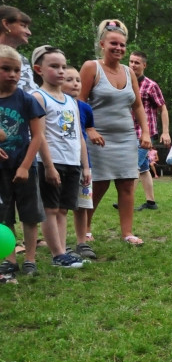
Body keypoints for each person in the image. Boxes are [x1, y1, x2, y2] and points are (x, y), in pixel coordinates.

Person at [80, 19, 151, 247]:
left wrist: (145, 133)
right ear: (102, 43)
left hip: (126, 136)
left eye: (122, 45)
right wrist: (88, 128)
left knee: (127, 184)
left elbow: (137, 105)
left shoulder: (129, 72)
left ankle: (127, 233)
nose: (118, 48)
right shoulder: (91, 67)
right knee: (99, 184)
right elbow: (79, 102)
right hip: (98, 138)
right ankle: (86, 228)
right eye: (113, 43)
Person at [31, 46, 90, 270]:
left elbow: (80, 137)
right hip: (51, 161)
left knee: (64, 208)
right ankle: (57, 254)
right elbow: (40, 136)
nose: (61, 71)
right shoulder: (38, 97)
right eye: (54, 66)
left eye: (63, 66)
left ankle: (64, 251)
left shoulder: (71, 101)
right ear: (39, 69)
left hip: (72, 162)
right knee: (50, 209)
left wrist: (85, 166)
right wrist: (48, 166)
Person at [0, 45, 45, 280]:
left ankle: (30, 259)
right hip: (1, 171)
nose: (13, 74)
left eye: (17, 70)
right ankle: (8, 260)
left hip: (25, 166)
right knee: (3, 216)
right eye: (5, 69)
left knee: (29, 214)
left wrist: (26, 166)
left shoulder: (25, 100)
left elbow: (37, 135)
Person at [61, 65, 98, 260]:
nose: (75, 83)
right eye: (69, 79)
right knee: (60, 207)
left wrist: (86, 166)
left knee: (82, 205)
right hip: (60, 162)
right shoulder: (53, 105)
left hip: (82, 163)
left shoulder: (84, 108)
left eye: (77, 80)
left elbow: (86, 133)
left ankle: (81, 241)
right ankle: (60, 244)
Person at [128, 50, 170, 211]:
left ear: (144, 65)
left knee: (134, 167)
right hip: (129, 131)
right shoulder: (125, 83)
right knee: (144, 168)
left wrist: (165, 132)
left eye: (136, 62)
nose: (133, 65)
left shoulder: (151, 86)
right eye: (131, 61)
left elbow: (163, 109)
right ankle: (150, 202)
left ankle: (126, 200)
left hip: (145, 134)